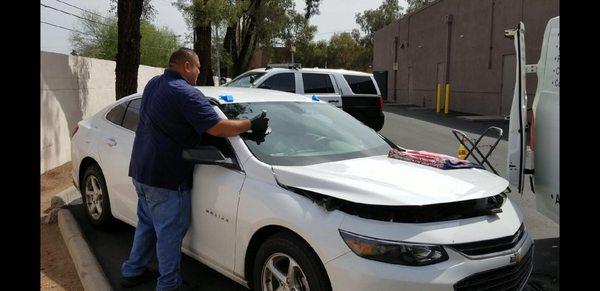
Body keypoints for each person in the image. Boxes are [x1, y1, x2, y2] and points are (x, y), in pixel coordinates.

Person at [120, 47, 269, 291]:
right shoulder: (185, 92)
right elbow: (217, 128)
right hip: (166, 177)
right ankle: (169, 284)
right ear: (186, 66)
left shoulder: (154, 84)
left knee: (147, 224)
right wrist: (251, 123)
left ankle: (132, 271)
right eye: (198, 66)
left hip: (142, 170)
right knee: (170, 231)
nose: (200, 71)